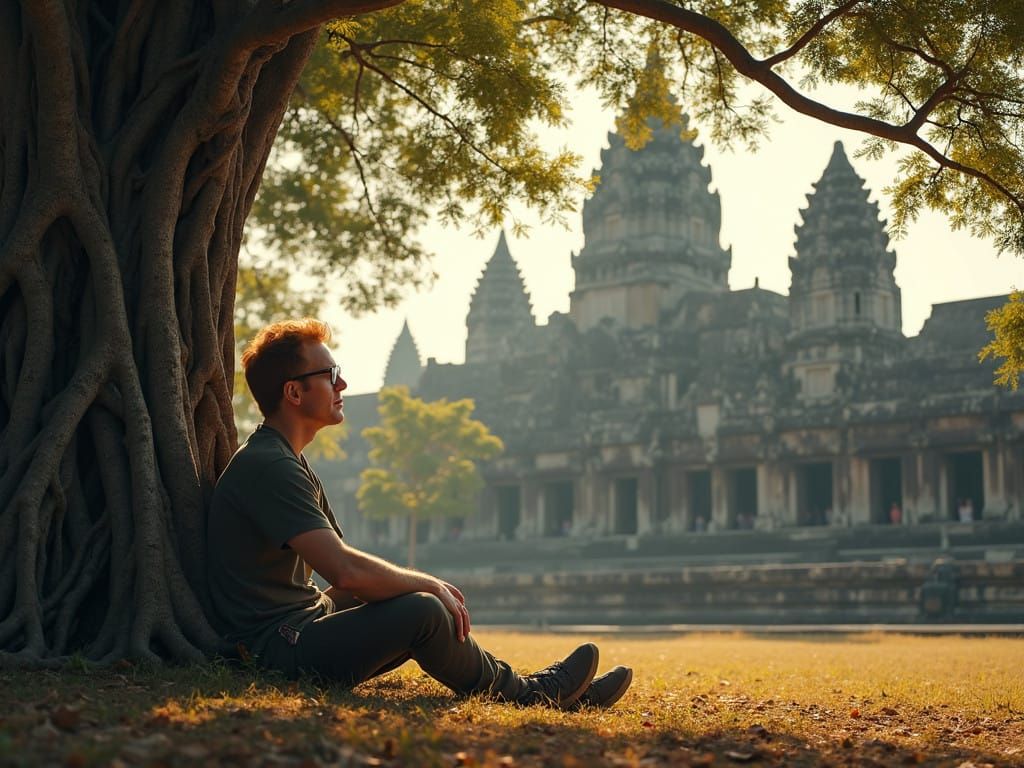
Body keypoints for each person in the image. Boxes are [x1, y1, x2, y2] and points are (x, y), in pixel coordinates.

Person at [208, 319, 632, 710]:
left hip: (300, 624)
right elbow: (345, 570)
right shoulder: (270, 465)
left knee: (400, 592)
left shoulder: (287, 459)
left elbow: (346, 570)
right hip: (274, 648)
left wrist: (410, 585)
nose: (344, 384)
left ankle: (546, 691)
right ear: (294, 393)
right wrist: (430, 585)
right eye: (331, 375)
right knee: (424, 610)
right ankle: (528, 693)